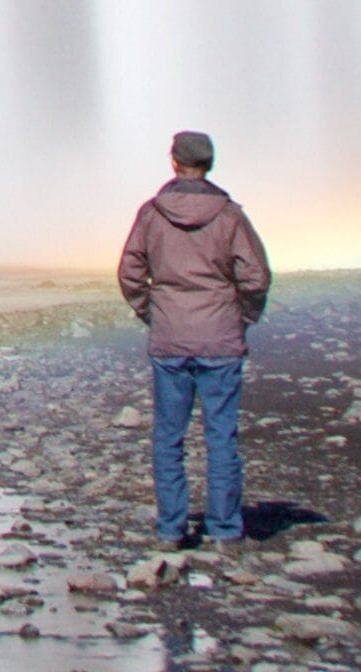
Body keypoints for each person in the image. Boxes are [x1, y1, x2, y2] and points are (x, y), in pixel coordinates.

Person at [117, 128, 271, 550]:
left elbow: (130, 274)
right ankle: (224, 530)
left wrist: (152, 312)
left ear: (174, 161)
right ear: (209, 163)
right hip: (219, 340)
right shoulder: (230, 215)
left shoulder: (152, 213)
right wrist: (241, 316)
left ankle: (171, 529)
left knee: (169, 436)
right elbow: (255, 277)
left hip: (170, 339)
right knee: (221, 437)